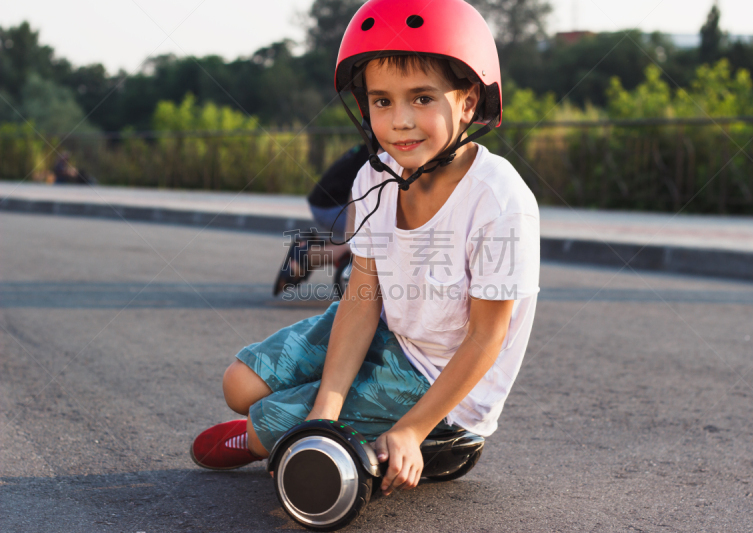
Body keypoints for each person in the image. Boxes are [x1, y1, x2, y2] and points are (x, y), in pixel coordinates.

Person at [190, 0, 540, 499]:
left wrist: (413, 430)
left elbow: (487, 338)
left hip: (438, 385)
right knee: (238, 386)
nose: (399, 121)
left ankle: (261, 438)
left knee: (268, 420)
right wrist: (324, 409)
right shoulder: (374, 176)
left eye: (421, 98)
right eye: (382, 101)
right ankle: (288, 425)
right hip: (384, 328)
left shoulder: (499, 199)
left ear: (467, 102)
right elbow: (362, 294)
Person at [272, 144, 370, 296]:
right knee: (368, 242)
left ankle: (313, 247)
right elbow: (356, 191)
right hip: (329, 206)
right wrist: (352, 241)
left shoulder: (376, 142)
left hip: (328, 201)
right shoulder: (380, 152)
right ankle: (308, 254)